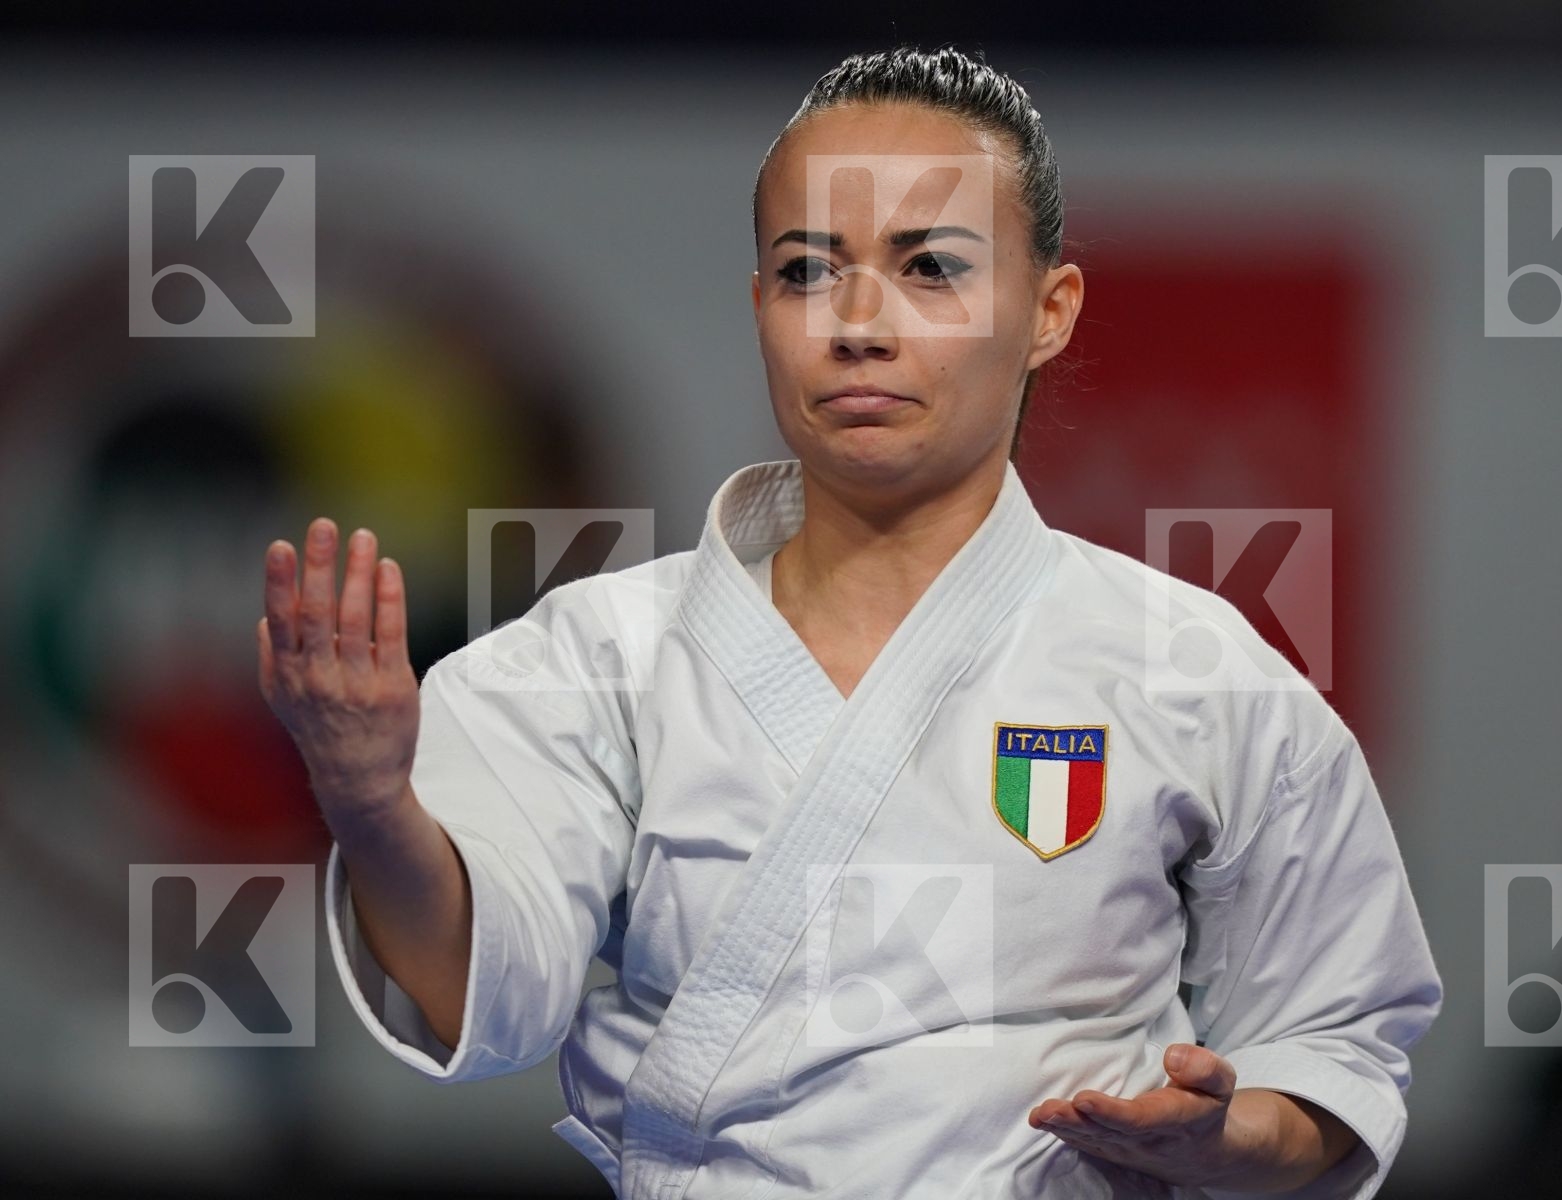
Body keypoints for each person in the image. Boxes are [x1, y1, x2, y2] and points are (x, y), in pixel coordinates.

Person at [258, 45, 1442, 1200]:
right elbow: (483, 991)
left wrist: (1229, 1146)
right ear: (761, 303)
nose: (858, 323)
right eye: (808, 270)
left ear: (1050, 308)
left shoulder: (1193, 669)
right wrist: (369, 802)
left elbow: (1336, 1049)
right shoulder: (599, 658)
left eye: (931, 267)